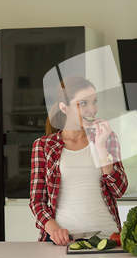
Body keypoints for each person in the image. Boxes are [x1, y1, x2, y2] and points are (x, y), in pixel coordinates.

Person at [29, 75, 128, 245]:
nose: (92, 109)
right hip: (62, 241)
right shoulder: (43, 146)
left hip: (107, 238)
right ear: (64, 108)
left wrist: (101, 147)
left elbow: (118, 190)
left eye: (94, 101)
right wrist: (54, 230)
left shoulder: (108, 138)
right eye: (83, 103)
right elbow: (37, 200)